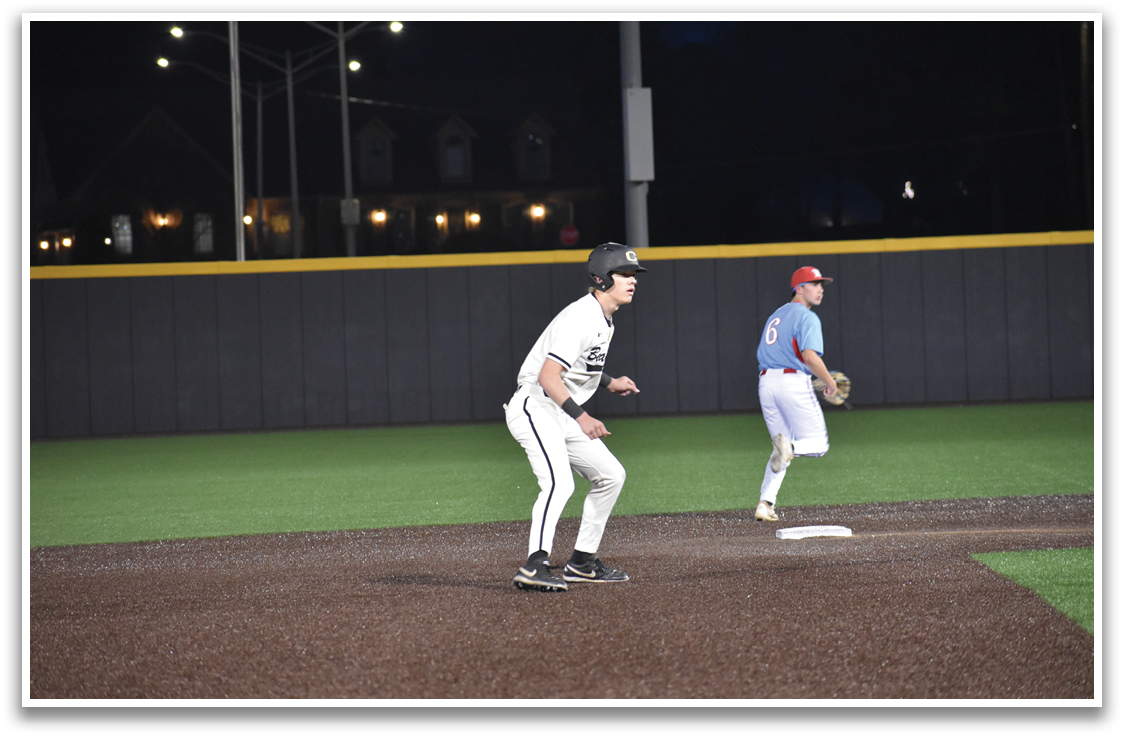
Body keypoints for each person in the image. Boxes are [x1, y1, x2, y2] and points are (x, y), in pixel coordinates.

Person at [505, 243, 646, 592]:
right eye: (624, 274)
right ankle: (535, 564)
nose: (632, 281)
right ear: (601, 278)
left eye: (634, 275)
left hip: (559, 411)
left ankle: (582, 562)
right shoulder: (581, 317)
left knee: (612, 475)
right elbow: (548, 377)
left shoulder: (603, 319)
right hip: (536, 407)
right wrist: (582, 417)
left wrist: (611, 381)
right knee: (559, 483)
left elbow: (583, 368)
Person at [754, 266, 838, 522]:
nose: (821, 289)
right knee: (818, 445)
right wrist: (829, 382)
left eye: (822, 284)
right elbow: (810, 357)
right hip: (792, 381)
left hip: (766, 384)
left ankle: (765, 504)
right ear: (799, 289)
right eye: (815, 284)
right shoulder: (808, 317)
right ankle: (790, 446)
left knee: (781, 451)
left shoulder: (776, 314)